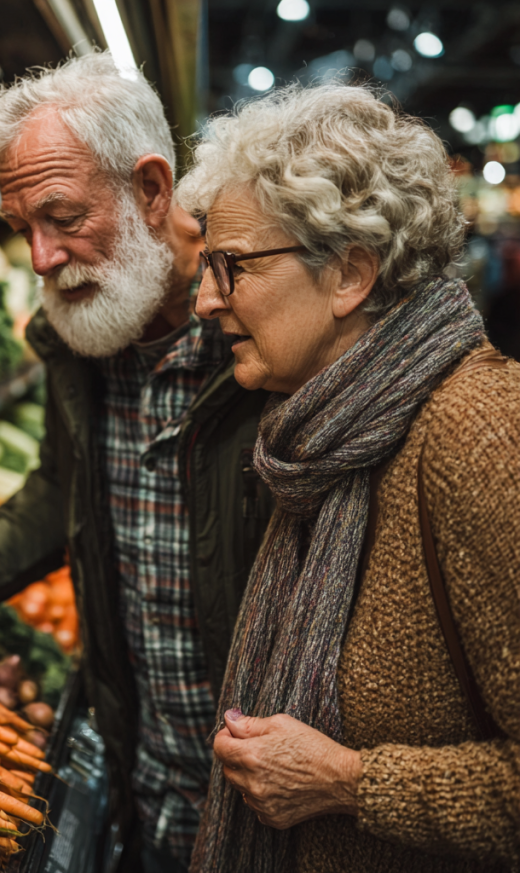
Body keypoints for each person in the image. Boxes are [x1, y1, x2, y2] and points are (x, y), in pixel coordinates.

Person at [0, 52, 272, 872]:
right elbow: (66, 482)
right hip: (145, 763)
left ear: (152, 190)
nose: (40, 257)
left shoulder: (267, 333)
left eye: (62, 216)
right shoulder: (84, 330)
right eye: (20, 229)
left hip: (264, 791)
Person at [174, 82, 520, 873]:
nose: (204, 301)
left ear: (348, 275)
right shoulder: (320, 436)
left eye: (230, 266)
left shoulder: (483, 436)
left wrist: (348, 782)